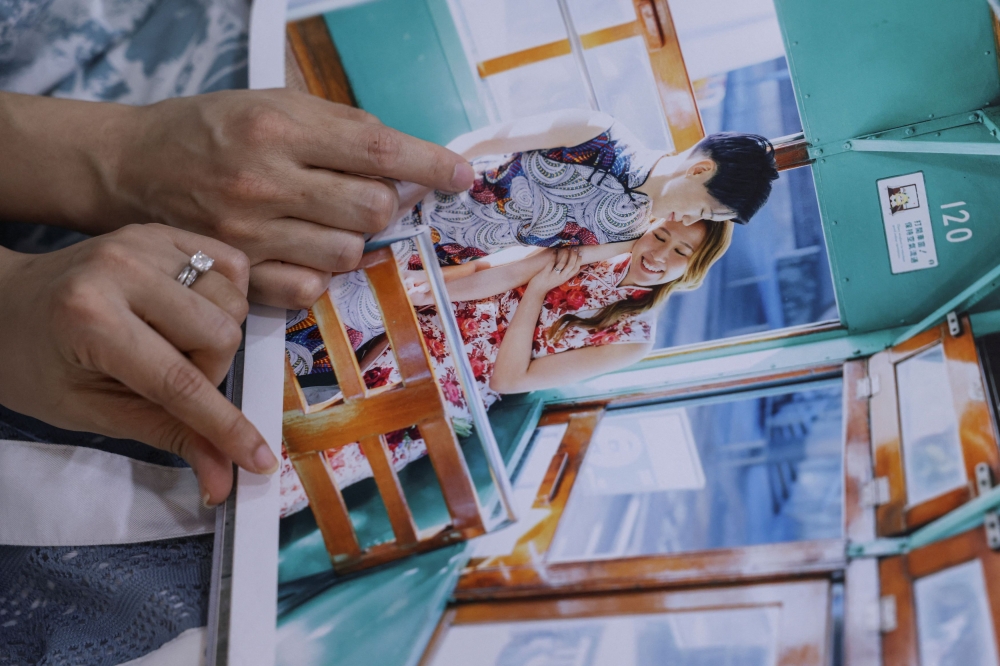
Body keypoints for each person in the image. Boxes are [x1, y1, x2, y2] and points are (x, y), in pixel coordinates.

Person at [281, 217, 732, 515]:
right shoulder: (596, 250)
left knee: (318, 455)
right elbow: (497, 270)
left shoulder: (633, 339)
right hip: (436, 316)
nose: (659, 255)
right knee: (305, 345)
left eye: (681, 252)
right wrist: (426, 289)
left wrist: (536, 295)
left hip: (458, 379)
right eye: (660, 236)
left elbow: (509, 379)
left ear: (695, 267)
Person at [325, 109, 777, 346]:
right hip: (416, 196)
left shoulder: (631, 229)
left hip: (436, 258)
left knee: (347, 319)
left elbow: (519, 266)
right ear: (699, 171)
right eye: (709, 211)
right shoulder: (598, 131)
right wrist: (398, 202)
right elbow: (480, 141)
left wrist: (429, 289)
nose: (697, 222)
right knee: (330, 236)